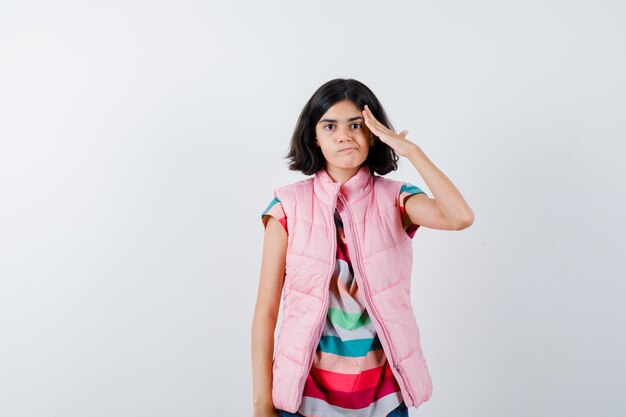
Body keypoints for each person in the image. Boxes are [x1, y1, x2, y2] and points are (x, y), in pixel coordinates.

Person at [251, 78, 474, 417]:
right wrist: (261, 405)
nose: (344, 135)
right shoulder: (286, 208)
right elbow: (266, 313)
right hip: (305, 399)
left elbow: (459, 217)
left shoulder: (397, 199)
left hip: (383, 400)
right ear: (314, 136)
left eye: (356, 125)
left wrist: (410, 151)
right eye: (330, 126)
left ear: (373, 132)